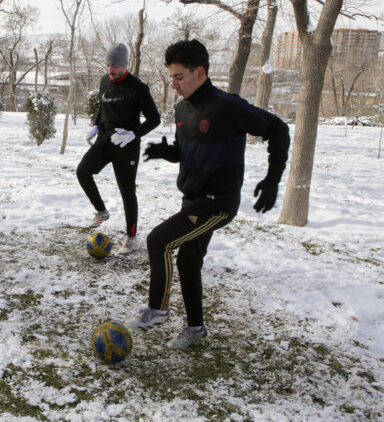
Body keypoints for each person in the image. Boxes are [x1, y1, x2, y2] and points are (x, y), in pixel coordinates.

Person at [126, 39, 290, 350]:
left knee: (158, 239)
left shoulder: (227, 106)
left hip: (218, 203)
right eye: (171, 77)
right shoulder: (181, 109)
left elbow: (278, 130)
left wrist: (272, 180)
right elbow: (191, 150)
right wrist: (169, 152)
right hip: (192, 199)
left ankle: (157, 310)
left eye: (179, 77)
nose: (174, 84)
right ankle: (196, 328)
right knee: (188, 261)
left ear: (199, 72)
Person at [77, 43, 161, 254]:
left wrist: (133, 134)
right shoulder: (104, 81)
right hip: (105, 141)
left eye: (114, 66)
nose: (110, 70)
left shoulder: (138, 87)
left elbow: (154, 119)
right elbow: (103, 105)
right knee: (82, 171)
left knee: (127, 192)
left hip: (126, 146)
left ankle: (131, 237)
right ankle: (101, 211)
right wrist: (96, 124)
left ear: (124, 65)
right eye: (107, 65)